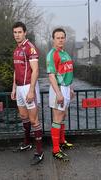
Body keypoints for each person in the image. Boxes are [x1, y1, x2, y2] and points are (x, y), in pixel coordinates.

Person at [11, 21, 44, 165]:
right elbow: (15, 70)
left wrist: (31, 90)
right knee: (23, 116)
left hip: (28, 87)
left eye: (19, 32)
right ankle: (27, 142)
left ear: (25, 32)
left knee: (34, 120)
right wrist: (13, 88)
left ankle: (40, 152)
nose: (17, 35)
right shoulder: (16, 49)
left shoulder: (30, 48)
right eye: (15, 32)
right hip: (19, 88)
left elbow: (36, 70)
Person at [46, 27, 74, 161]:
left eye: (62, 37)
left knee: (63, 116)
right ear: (53, 39)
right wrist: (58, 94)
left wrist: (71, 89)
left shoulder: (65, 53)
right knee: (57, 118)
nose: (60, 39)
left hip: (66, 88)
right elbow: (51, 76)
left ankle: (62, 141)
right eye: (58, 37)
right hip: (58, 88)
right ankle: (55, 150)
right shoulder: (52, 54)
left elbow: (69, 72)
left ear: (65, 38)